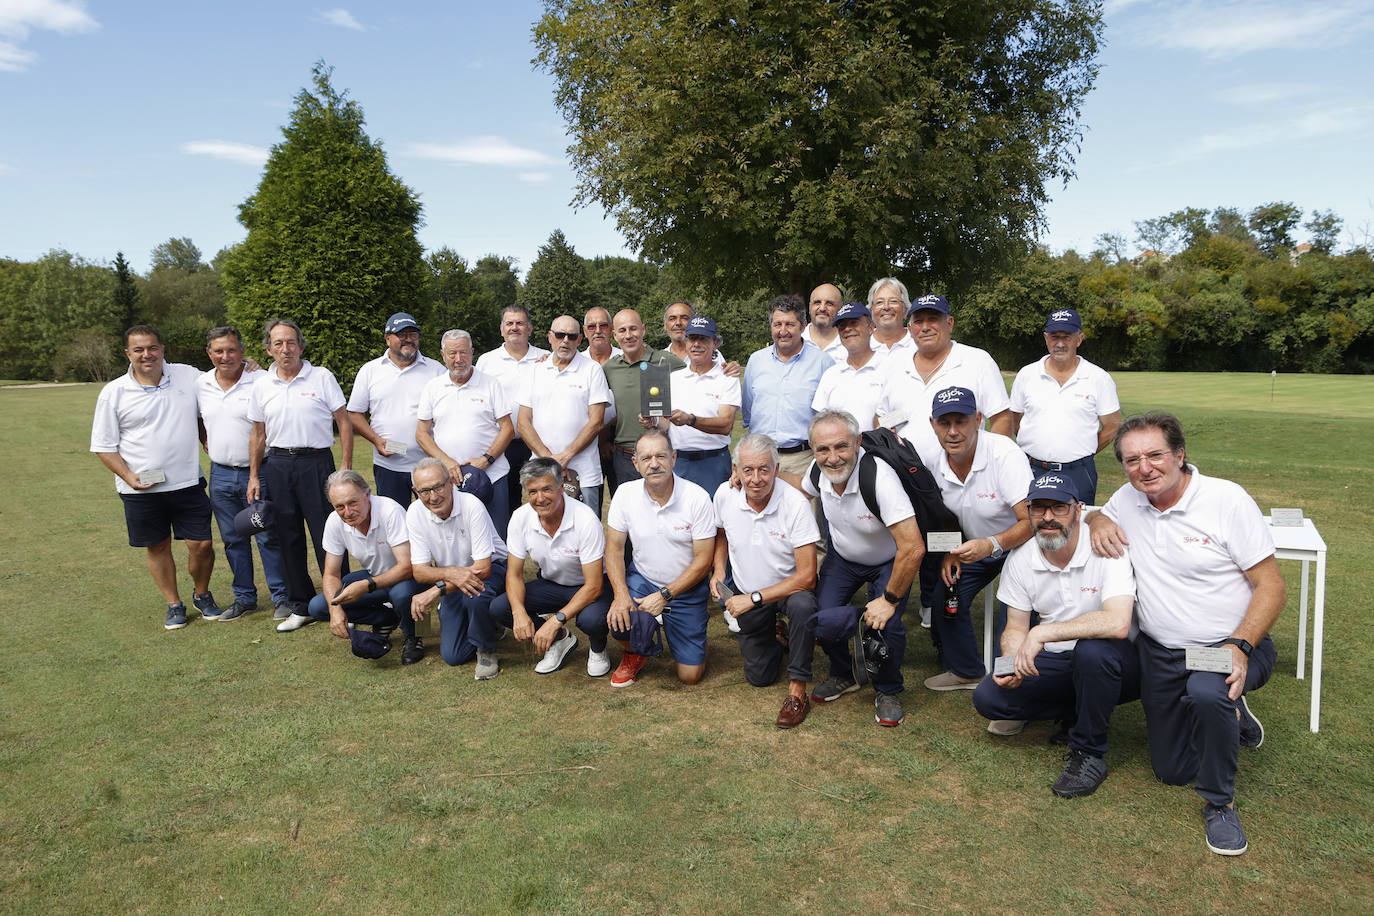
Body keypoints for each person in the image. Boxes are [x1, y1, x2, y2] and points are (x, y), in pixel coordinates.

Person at [1087, 411, 1284, 857]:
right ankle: (1232, 718)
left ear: (1179, 454)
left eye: (1155, 455)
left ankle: (1220, 804)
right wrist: (1097, 520)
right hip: (1162, 653)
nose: (1145, 468)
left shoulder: (1226, 500)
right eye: (1133, 460)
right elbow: (1097, 512)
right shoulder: (1128, 498)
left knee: (1209, 691)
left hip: (1224, 646)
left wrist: (1239, 646)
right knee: (1171, 770)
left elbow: (1272, 586)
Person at [972, 473, 1140, 798]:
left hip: (1118, 662)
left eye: (1058, 507)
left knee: (1091, 654)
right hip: (1059, 660)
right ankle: (1075, 707)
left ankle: (1088, 753)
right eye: (1039, 508)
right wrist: (1010, 664)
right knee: (988, 697)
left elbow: (1119, 622)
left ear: (1078, 510)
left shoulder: (1105, 546)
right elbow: (1016, 628)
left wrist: (1044, 633)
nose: (1048, 517)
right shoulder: (1022, 559)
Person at [796, 410, 925, 727]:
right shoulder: (817, 471)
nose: (833, 458)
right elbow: (798, 490)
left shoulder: (879, 477)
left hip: (889, 560)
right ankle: (845, 673)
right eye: (823, 449)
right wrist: (749, 479)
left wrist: (889, 600)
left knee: (884, 626)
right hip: (844, 559)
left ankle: (888, 689)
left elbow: (913, 547)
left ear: (857, 443)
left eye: (841, 446)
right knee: (821, 619)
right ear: (813, 449)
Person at [91, 325, 220, 629]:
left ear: (162, 349)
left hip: (186, 481)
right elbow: (103, 447)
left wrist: (249, 366)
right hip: (140, 488)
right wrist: (129, 476)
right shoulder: (113, 393)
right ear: (128, 354)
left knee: (201, 545)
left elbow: (221, 380)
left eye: (152, 348)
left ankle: (202, 595)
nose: (146, 355)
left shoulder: (187, 375)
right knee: (157, 546)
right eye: (138, 349)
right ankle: (174, 604)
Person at [924, 387, 1032, 690]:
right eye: (945, 423)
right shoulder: (931, 461)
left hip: (1020, 545)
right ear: (933, 424)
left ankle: (1008, 679)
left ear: (979, 419)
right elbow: (936, 518)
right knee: (944, 596)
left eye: (962, 421)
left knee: (1015, 612)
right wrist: (949, 551)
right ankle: (967, 670)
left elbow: (1032, 521)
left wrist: (992, 544)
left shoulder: (1005, 453)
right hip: (972, 547)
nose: (953, 432)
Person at [711, 434, 820, 728]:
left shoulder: (795, 503)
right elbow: (720, 532)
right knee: (759, 677)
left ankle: (798, 691)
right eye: (747, 470)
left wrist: (754, 599)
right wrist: (718, 570)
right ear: (736, 470)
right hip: (749, 591)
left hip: (789, 589)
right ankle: (778, 634)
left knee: (802, 606)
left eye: (764, 469)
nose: (756, 478)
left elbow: (808, 576)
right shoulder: (724, 495)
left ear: (777, 467)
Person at [247, 319, 353, 617]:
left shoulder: (321, 377)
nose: (285, 349)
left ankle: (343, 596)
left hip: (317, 463)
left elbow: (343, 422)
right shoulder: (262, 384)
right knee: (287, 534)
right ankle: (301, 603)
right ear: (268, 350)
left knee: (328, 531)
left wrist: (344, 466)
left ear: (301, 346)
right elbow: (258, 434)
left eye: (291, 342)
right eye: (278, 344)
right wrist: (254, 475)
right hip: (278, 465)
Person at [276, 470, 426, 663]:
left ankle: (416, 635)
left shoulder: (390, 510)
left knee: (402, 594)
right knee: (319, 606)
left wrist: (366, 585)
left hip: (412, 577)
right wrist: (335, 611)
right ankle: (386, 619)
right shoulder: (334, 521)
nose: (347, 512)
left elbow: (406, 566)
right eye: (339, 506)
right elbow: (331, 574)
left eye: (352, 502)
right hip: (376, 577)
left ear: (367, 494)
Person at [604, 429, 716, 687]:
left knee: (689, 676)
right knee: (618, 619)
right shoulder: (624, 494)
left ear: (674, 458)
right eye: (646, 458)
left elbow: (703, 561)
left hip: (685, 587)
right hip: (643, 580)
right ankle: (633, 652)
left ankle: (691, 637)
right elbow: (614, 550)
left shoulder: (696, 497)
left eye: (661, 456)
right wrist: (621, 594)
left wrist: (664, 595)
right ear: (636, 463)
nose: (654, 464)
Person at [485, 458, 613, 678]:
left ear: (562, 487)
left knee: (591, 619)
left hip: (590, 587)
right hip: (551, 584)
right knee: (500, 607)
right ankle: (560, 640)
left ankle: (598, 648)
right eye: (532, 491)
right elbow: (514, 574)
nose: (540, 498)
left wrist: (555, 620)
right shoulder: (520, 517)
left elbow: (594, 585)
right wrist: (519, 613)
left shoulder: (585, 519)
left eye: (547, 489)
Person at [196, 326, 289, 621]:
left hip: (258, 472)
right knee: (234, 539)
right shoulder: (201, 384)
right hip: (221, 474)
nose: (226, 356)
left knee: (267, 536)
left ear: (242, 351)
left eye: (232, 350)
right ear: (209, 354)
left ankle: (282, 597)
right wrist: (205, 441)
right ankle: (245, 598)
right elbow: (199, 419)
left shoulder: (260, 379)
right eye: (219, 351)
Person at [875, 293, 1011, 469]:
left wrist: (993, 465)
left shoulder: (977, 361)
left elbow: (1002, 419)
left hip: (964, 477)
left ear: (950, 323)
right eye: (918, 321)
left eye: (933, 319)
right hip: (908, 477)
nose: (925, 327)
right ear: (909, 328)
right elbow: (882, 417)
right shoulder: (895, 365)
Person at [405, 458, 509, 675]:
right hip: (452, 580)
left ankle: (486, 649)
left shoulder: (472, 505)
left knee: (476, 595)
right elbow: (420, 571)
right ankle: (487, 623)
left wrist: (436, 590)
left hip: (493, 570)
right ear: (415, 491)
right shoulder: (414, 512)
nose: (433, 497)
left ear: (451, 482)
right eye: (425, 491)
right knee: (454, 656)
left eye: (439, 487)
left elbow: (483, 568)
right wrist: (451, 574)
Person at [1009, 307, 1122, 505]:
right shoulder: (1027, 374)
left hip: (1078, 471)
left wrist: (1083, 450)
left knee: (1077, 529)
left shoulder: (1099, 378)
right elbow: (1014, 420)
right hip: (1031, 468)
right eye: (1054, 336)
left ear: (1079, 339)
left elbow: (1112, 426)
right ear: (1046, 338)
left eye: (1067, 336)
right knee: (1029, 528)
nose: (1060, 343)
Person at [416, 329, 515, 535]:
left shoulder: (490, 384)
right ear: (443, 356)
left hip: (492, 476)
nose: (458, 359)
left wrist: (486, 460)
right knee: (457, 539)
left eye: (463, 353)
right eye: (452, 354)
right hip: (448, 481)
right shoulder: (433, 387)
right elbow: (422, 434)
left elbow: (507, 428)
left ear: (472, 352)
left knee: (497, 538)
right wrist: (447, 463)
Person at [346, 311, 444, 506]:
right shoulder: (370, 371)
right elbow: (355, 414)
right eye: (402, 334)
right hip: (388, 466)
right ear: (387, 339)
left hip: (428, 465)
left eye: (413, 334)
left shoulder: (436, 370)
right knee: (393, 523)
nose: (408, 339)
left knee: (434, 522)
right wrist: (375, 439)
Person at [517, 315, 612, 516]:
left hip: (584, 472)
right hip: (541, 469)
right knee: (544, 529)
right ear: (550, 337)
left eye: (572, 336)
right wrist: (550, 460)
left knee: (586, 531)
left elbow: (596, 422)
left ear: (579, 340)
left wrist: (566, 456)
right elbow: (523, 423)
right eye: (560, 335)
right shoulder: (535, 371)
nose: (566, 341)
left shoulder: (592, 370)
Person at [740, 294, 832, 476]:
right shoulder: (756, 360)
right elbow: (749, 410)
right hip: (760, 459)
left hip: (803, 460)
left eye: (790, 324)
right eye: (777, 324)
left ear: (803, 326)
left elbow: (829, 415)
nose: (783, 331)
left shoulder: (823, 362)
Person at [648, 315, 740, 497]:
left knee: (716, 522)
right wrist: (653, 421)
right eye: (692, 338)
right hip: (678, 462)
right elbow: (668, 425)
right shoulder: (674, 378)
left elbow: (725, 425)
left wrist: (690, 420)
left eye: (703, 338)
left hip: (713, 462)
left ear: (715, 343)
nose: (696, 344)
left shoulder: (727, 377)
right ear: (685, 342)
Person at [475, 306, 548, 520]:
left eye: (520, 323)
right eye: (509, 323)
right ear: (501, 329)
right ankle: (509, 551)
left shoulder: (545, 358)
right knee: (506, 504)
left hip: (537, 443)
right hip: (502, 444)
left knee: (543, 498)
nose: (514, 327)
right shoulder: (487, 361)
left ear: (530, 329)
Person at [602, 309, 685, 489]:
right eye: (622, 331)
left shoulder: (667, 361)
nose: (629, 335)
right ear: (614, 335)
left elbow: (700, 374)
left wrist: (725, 368)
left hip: (660, 453)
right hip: (624, 456)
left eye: (633, 329)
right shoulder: (609, 368)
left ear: (643, 330)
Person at [810, 303, 887, 432]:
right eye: (842, 326)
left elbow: (903, 411)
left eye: (854, 322)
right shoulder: (831, 374)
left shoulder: (890, 367)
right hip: (839, 451)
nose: (847, 329)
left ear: (871, 328)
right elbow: (821, 422)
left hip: (881, 451)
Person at [867, 277, 916, 359]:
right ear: (871, 310)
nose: (886, 307)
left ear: (905, 310)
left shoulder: (918, 342)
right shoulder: (861, 344)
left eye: (893, 301)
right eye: (879, 302)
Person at [801, 282, 847, 363]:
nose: (822, 308)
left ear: (840, 308)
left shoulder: (851, 341)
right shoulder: (796, 339)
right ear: (809, 307)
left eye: (829, 304)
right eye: (817, 302)